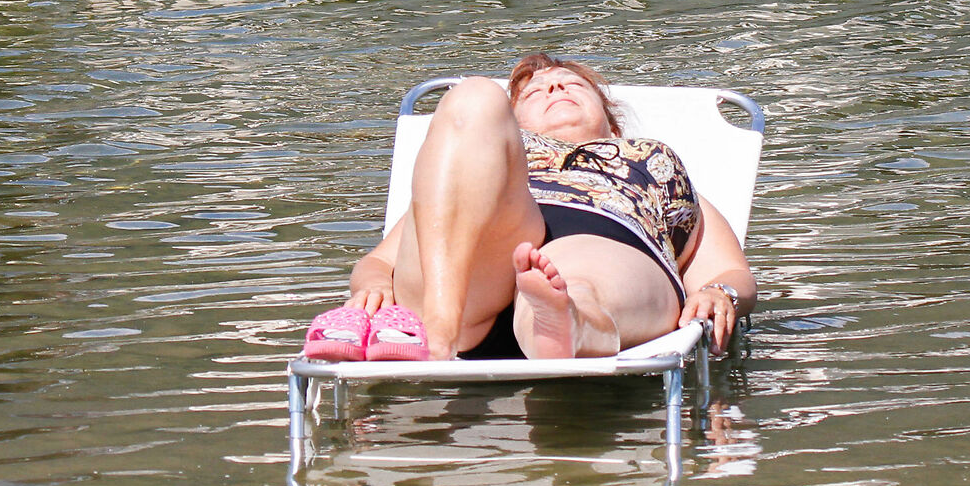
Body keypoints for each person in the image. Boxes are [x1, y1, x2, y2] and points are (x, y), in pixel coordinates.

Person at [302, 54, 755, 362]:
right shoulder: (474, 170)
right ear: (511, 126)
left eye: (573, 83)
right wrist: (376, 285)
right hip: (479, 266)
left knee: (572, 275)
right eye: (535, 92)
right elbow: (381, 261)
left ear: (609, 114)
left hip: (608, 236)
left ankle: (569, 322)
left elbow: (729, 270)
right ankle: (440, 329)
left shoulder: (652, 163)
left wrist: (721, 292)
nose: (554, 84)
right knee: (472, 94)